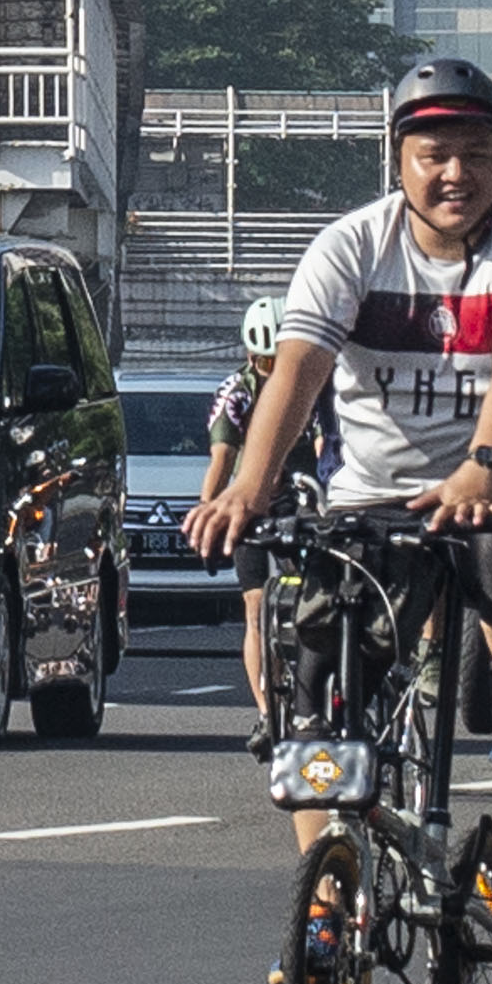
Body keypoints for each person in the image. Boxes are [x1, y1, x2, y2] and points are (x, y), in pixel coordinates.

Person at [187, 56, 492, 869]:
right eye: (433, 155)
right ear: (399, 162)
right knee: (315, 693)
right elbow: (297, 368)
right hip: (373, 492)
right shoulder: (349, 247)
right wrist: (248, 489)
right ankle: (326, 887)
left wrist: (483, 462)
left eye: (476, 155)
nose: (455, 175)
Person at [205, 295, 321, 719]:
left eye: (280, 360)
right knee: (254, 609)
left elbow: (328, 449)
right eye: (264, 362)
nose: (272, 371)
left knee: (320, 595)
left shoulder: (314, 386)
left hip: (303, 492)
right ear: (250, 356)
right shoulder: (234, 393)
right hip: (254, 502)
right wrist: (208, 514)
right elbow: (221, 460)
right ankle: (266, 714)